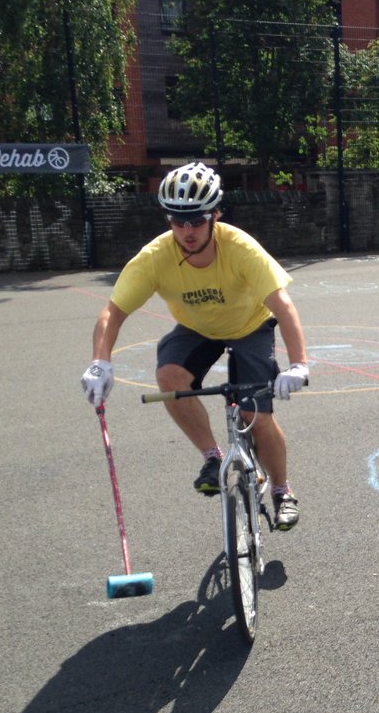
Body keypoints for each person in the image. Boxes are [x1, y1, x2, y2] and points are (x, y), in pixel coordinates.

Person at [81, 162, 309, 530]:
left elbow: (282, 306)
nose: (187, 230)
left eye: (197, 220)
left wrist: (298, 364)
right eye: (177, 220)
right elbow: (113, 312)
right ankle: (213, 457)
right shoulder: (155, 257)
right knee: (169, 375)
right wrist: (99, 362)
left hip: (249, 327)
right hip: (197, 328)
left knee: (256, 415)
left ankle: (283, 490)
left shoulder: (239, 248)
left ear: (215, 215)